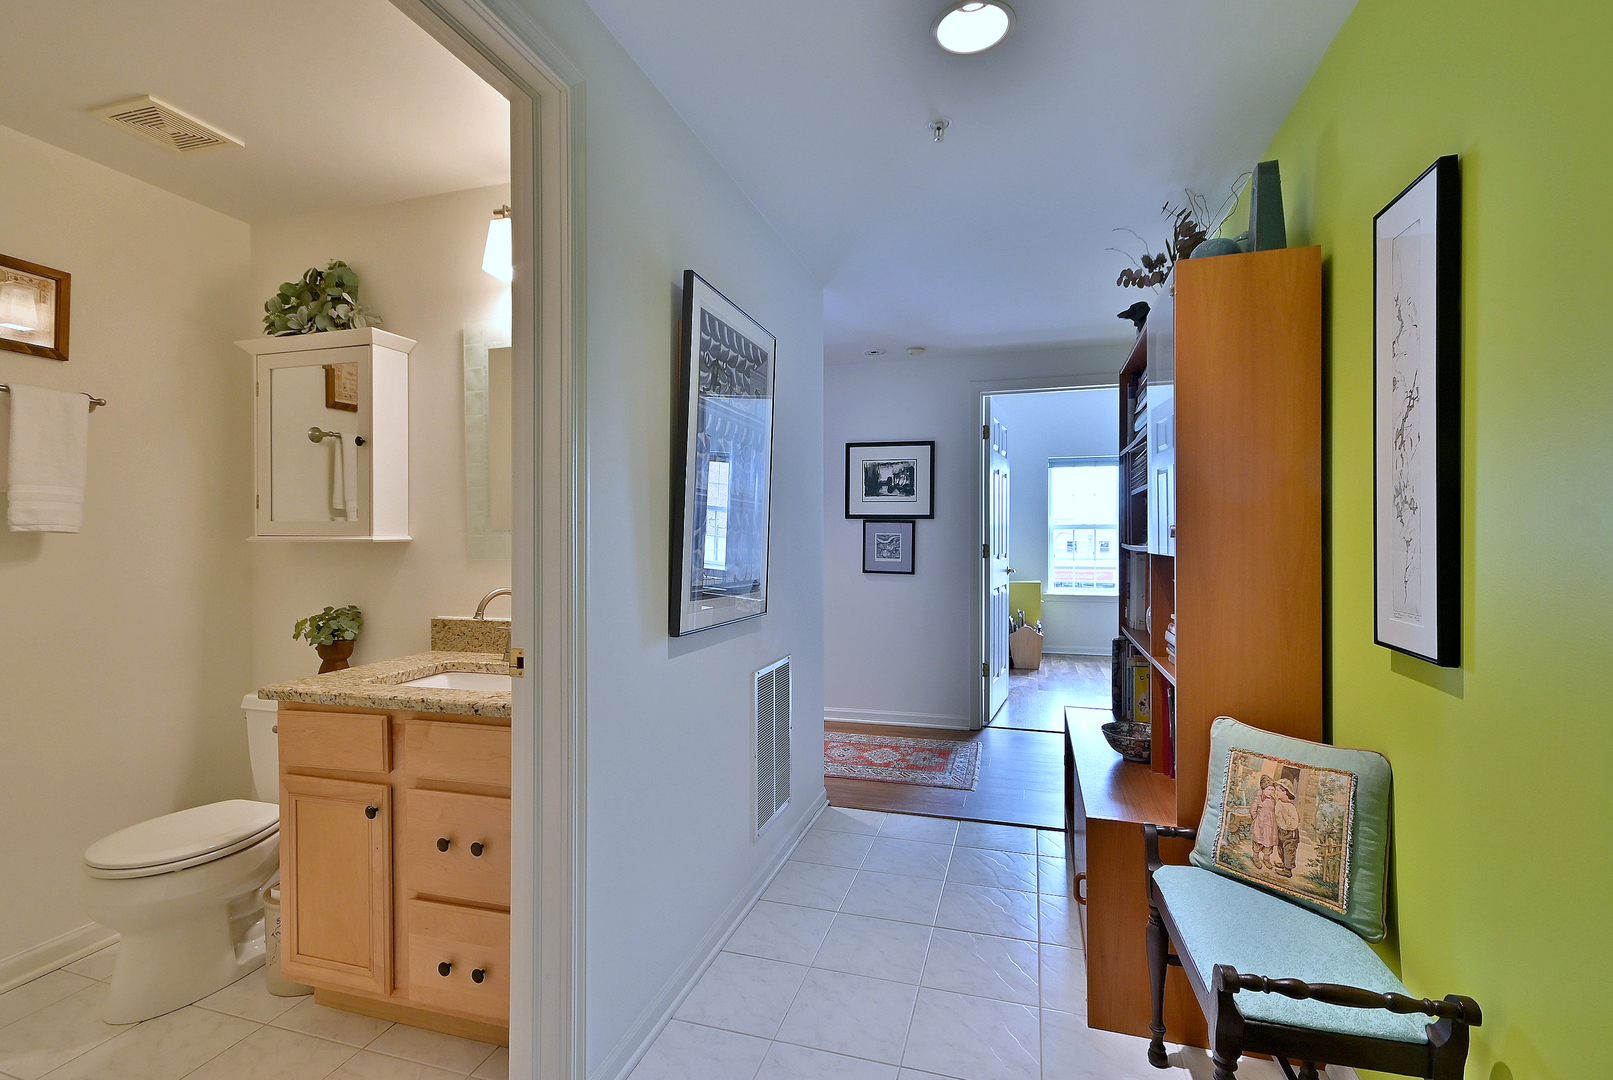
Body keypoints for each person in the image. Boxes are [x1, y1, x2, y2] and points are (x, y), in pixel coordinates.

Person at [1273, 778, 1301, 878]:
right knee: (1280, 848)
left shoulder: (1290, 806)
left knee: (1289, 849)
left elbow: (1295, 822)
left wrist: (1287, 825)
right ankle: (1284, 864)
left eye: (1278, 790)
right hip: (1282, 830)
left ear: (1285, 792)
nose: (1275, 792)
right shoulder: (1279, 802)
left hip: (1290, 832)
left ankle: (1288, 870)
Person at [1250, 775, 1279, 869]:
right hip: (1260, 823)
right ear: (1263, 789)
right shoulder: (1259, 798)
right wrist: (1255, 817)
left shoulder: (1273, 800)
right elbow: (1254, 808)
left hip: (1270, 824)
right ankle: (1256, 857)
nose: (1271, 792)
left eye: (1272, 790)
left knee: (1268, 842)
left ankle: (1266, 858)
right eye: (1269, 789)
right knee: (1258, 841)